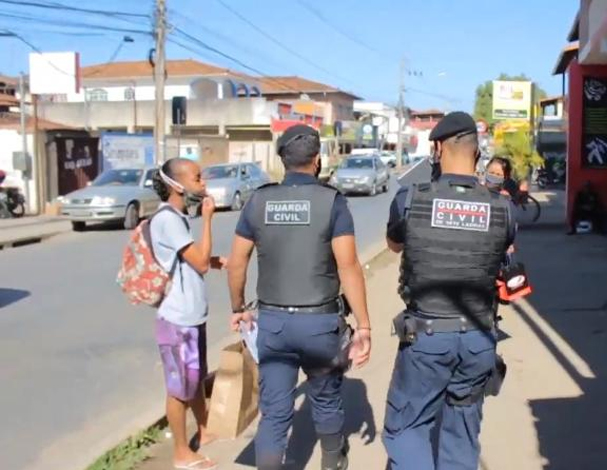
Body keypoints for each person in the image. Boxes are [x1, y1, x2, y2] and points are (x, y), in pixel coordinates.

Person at [227, 124, 371, 470]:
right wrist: (364, 326)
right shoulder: (332, 202)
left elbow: (236, 263)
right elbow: (348, 265)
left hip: (274, 324)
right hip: (320, 325)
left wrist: (238, 307)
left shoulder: (258, 201)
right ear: (318, 160)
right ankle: (333, 461)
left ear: (282, 161)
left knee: (274, 414)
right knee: (326, 403)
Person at [383, 112, 516, 469]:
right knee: (460, 435)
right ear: (477, 152)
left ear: (438, 148)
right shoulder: (503, 208)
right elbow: (503, 254)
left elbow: (394, 245)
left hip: (426, 338)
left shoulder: (410, 198)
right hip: (478, 339)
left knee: (408, 430)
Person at [151, 158, 226, 470]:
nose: (203, 183)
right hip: (177, 319)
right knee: (180, 388)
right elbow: (200, 263)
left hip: (192, 316)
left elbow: (190, 261)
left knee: (195, 380)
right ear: (176, 185)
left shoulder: (177, 217)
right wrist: (208, 219)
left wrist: (219, 260)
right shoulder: (167, 219)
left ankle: (204, 430)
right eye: (197, 178)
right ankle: (181, 453)